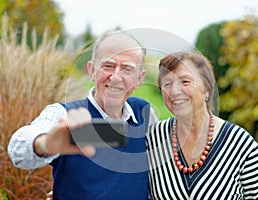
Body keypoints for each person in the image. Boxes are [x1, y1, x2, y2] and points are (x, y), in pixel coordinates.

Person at [8, 30, 158, 199]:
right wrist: (45, 143)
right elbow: (18, 149)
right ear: (92, 70)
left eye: (127, 69)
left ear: (139, 78)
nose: (115, 77)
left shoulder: (145, 114)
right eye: (108, 66)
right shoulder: (65, 115)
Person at [146, 51, 258, 199]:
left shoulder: (241, 144)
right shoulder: (153, 139)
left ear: (206, 89)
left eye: (185, 81)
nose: (174, 91)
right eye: (167, 84)